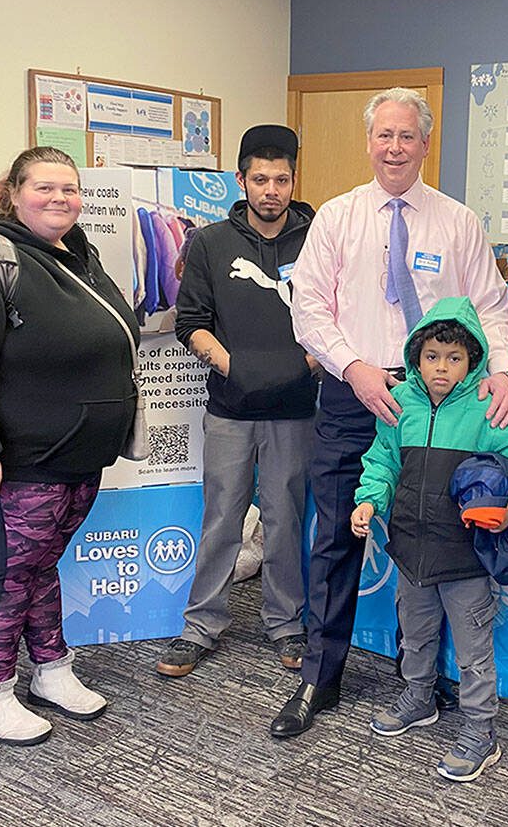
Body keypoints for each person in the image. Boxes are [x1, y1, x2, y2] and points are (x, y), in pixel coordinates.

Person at [274, 87, 508, 738]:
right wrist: (351, 367)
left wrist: (502, 371)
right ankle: (319, 678)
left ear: (425, 142)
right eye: (384, 135)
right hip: (354, 395)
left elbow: (491, 307)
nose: (394, 147)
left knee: (439, 540)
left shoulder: (458, 222)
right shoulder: (337, 217)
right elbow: (309, 307)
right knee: (334, 536)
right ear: (369, 140)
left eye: (407, 136)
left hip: (437, 406)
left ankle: (426, 681)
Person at [0, 146, 138, 746]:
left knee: (42, 565)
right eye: (44, 188)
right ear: (14, 192)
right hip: (14, 458)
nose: (59, 199)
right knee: (9, 572)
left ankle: (50, 670)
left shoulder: (78, 256)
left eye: (69, 189)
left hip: (74, 455)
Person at [350, 297, 508, 781]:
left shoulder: (487, 410)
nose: (442, 368)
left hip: (465, 559)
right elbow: (382, 462)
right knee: (415, 637)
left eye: (454, 358)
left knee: (472, 650)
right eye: (432, 356)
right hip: (412, 553)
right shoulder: (400, 407)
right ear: (415, 357)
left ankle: (481, 731)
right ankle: (419, 698)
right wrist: (369, 500)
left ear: (473, 360)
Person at [155, 125, 319, 678]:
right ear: (241, 180)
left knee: (285, 518)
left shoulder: (319, 237)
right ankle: (200, 626)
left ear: (294, 180)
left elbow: (336, 314)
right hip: (229, 407)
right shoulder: (210, 243)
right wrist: (240, 370)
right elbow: (192, 324)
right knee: (223, 518)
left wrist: (305, 366)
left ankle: (286, 623)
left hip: (298, 408)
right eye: (259, 179)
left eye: (281, 179)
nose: (270, 189)